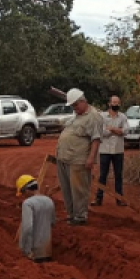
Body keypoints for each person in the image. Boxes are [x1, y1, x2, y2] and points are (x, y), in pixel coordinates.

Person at [56, 88, 103, 226]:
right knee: (66, 189)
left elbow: (96, 139)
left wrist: (90, 158)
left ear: (83, 101)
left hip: (78, 160)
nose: (74, 108)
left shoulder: (94, 116)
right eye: (72, 106)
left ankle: (80, 216)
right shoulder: (76, 116)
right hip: (64, 158)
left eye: (76, 105)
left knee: (79, 190)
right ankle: (71, 215)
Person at [93, 95, 128, 206]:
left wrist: (111, 129)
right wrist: (117, 130)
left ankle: (119, 199)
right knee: (103, 175)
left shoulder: (123, 117)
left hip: (118, 150)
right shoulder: (102, 116)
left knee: (118, 175)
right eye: (113, 102)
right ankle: (98, 199)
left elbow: (126, 131)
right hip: (105, 151)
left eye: (117, 102)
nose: (115, 104)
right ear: (109, 103)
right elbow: (101, 132)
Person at [16, 174, 55, 263]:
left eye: (22, 193)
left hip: (32, 253)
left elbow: (27, 227)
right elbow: (52, 222)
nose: (23, 196)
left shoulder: (28, 203)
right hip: (47, 252)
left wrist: (23, 248)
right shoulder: (49, 200)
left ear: (26, 190)